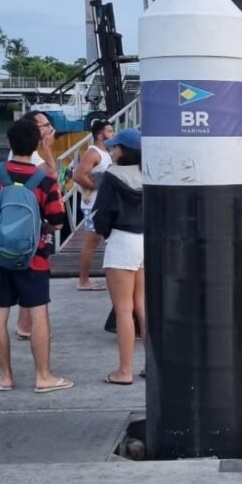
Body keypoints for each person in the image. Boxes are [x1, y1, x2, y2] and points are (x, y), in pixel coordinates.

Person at [0, 118, 72, 393]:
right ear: (36, 145)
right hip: (34, 258)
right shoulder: (44, 180)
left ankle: (6, 377)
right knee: (38, 313)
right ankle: (43, 377)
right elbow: (57, 221)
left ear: (9, 143)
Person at [92, 129, 145, 385]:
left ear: (124, 151)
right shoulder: (149, 173)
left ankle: (124, 371)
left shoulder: (112, 176)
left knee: (124, 310)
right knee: (142, 304)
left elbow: (101, 214)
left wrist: (104, 231)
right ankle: (153, 366)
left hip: (122, 241)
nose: (111, 151)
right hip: (146, 241)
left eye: (114, 148)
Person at [13, 111, 57, 340]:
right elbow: (51, 175)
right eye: (45, 125)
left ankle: (24, 323)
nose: (50, 128)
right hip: (32, 228)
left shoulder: (15, 156)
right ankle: (26, 324)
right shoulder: (32, 156)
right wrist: (48, 147)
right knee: (33, 278)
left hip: (18, 226)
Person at [72, 120, 114, 290]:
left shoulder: (106, 152)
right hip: (93, 205)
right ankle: (83, 281)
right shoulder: (93, 152)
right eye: (110, 131)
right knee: (91, 242)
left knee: (107, 241)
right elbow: (77, 175)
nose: (113, 134)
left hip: (103, 204)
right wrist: (98, 188)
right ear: (100, 135)